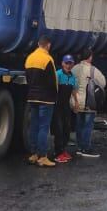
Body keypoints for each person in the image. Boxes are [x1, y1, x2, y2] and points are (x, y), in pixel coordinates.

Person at [24, 36, 58, 167]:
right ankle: (43, 156)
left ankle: (33, 154)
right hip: (46, 99)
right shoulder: (48, 59)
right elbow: (53, 81)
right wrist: (55, 96)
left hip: (32, 96)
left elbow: (27, 78)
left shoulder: (29, 58)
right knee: (44, 127)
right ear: (48, 45)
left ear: (38, 44)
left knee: (34, 125)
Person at [70, 50, 106, 158]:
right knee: (87, 125)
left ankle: (80, 147)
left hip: (75, 101)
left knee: (79, 124)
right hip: (88, 102)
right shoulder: (93, 70)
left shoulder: (74, 68)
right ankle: (86, 148)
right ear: (90, 57)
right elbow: (103, 82)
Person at [52, 55, 77, 163]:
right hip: (57, 105)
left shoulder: (72, 77)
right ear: (62, 63)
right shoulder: (58, 74)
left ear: (73, 64)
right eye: (66, 63)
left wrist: (76, 102)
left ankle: (63, 150)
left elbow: (74, 91)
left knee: (67, 128)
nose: (68, 65)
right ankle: (57, 153)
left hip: (66, 106)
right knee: (59, 129)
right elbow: (53, 89)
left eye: (70, 63)